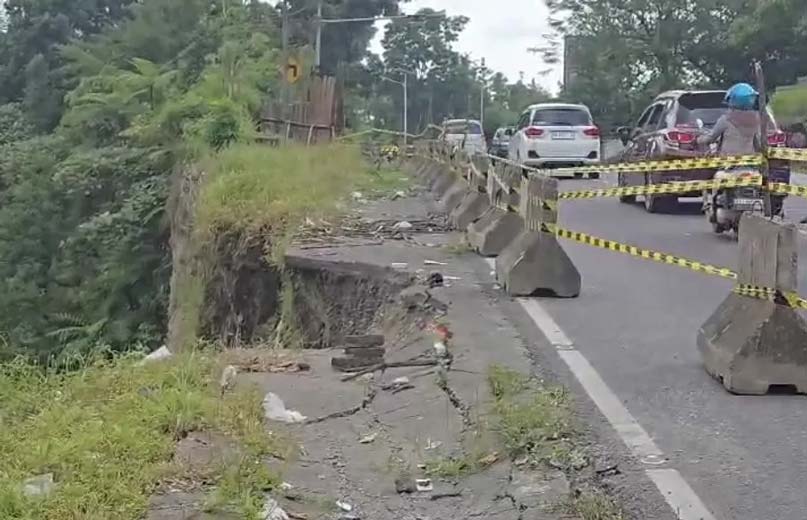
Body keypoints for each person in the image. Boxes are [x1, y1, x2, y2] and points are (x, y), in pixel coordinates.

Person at [697, 82, 764, 153]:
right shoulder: (755, 120)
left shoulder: (726, 119)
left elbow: (711, 138)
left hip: (727, 160)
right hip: (750, 159)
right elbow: (758, 142)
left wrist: (698, 140)